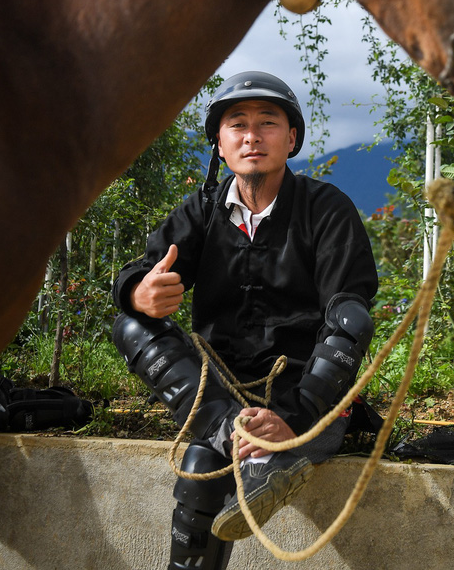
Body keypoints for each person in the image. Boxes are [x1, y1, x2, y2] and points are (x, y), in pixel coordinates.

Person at [112, 71, 378, 570]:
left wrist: (294, 420)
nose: (252, 136)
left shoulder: (327, 209)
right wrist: (140, 290)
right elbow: (138, 273)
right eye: (237, 124)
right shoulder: (202, 211)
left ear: (292, 137)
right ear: (219, 140)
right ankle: (238, 438)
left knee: (349, 321)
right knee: (130, 322)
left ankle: (269, 448)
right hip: (219, 395)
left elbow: (351, 317)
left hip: (303, 400)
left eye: (268, 123)